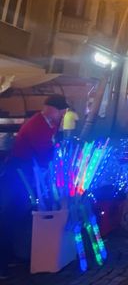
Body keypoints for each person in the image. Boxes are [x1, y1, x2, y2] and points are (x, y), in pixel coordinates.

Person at [0, 94, 69, 278]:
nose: (63, 114)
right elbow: (45, 155)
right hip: (20, 176)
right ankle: (2, 263)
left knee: (18, 216)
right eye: (62, 111)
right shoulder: (38, 126)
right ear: (53, 109)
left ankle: (13, 256)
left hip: (26, 175)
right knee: (10, 216)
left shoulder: (46, 123)